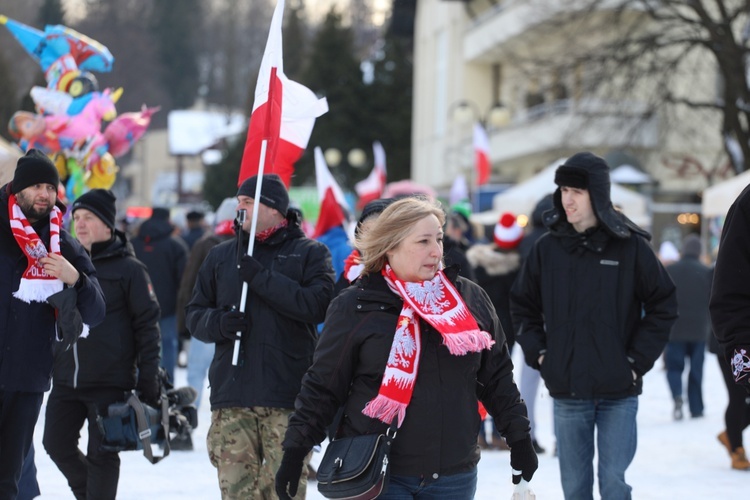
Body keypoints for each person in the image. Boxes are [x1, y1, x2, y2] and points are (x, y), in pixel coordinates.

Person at [275, 197, 538, 500]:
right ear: (391, 246)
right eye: (423, 241)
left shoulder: (469, 298)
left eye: (438, 238)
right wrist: (296, 451)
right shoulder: (356, 304)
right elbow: (323, 387)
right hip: (380, 474)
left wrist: (519, 439)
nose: (437, 250)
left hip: (454, 474)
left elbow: (496, 378)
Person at [510, 152, 677, 499]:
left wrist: (635, 363)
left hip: (619, 389)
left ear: (597, 194)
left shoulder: (630, 246)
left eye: (576, 191)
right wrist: (541, 355)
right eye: (564, 190)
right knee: (574, 487)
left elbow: (664, 303)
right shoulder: (547, 248)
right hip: (568, 390)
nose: (567, 199)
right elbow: (522, 305)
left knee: (614, 481)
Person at [186, 173, 335, 500]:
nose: (240, 208)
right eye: (239, 202)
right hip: (232, 395)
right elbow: (194, 315)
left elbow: (318, 306)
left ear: (274, 208)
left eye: (248, 202)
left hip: (287, 397)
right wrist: (220, 324)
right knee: (238, 494)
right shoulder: (220, 256)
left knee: (283, 493)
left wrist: (260, 277)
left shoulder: (310, 253)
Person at [42, 188, 162, 499]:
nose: (79, 225)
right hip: (66, 379)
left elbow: (147, 326)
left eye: (88, 218)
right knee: (54, 443)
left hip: (109, 381)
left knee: (103, 455)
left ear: (108, 224)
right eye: (76, 218)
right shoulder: (62, 262)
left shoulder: (131, 270)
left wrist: (148, 377)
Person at [0, 149, 106, 499]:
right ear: (17, 189)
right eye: (36, 186)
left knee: (7, 480)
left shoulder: (63, 244)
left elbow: (96, 313)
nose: (45, 194)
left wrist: (75, 278)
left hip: (25, 378)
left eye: (50, 186)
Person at [467, 211, 524, 450]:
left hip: (477, 326)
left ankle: (478, 432)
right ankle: (501, 434)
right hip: (505, 330)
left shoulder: (477, 262)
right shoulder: (515, 267)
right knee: (500, 381)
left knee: (476, 380)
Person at [709, 184, 750, 468]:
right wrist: (742, 358)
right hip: (732, 345)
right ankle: (735, 445)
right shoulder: (747, 206)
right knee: (738, 400)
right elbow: (727, 299)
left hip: (727, 341)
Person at [515, 193, 554, 455]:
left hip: (530, 318)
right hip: (559, 317)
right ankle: (563, 440)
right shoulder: (560, 241)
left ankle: (527, 437)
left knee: (528, 383)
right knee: (562, 384)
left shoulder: (525, 242)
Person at [132, 206, 188, 385]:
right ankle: (167, 384)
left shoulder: (133, 243)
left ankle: (140, 385)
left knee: (140, 346)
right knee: (168, 346)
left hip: (137, 307)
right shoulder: (176, 245)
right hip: (168, 307)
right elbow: (184, 281)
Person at [663, 234, 711, 420]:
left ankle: (676, 395)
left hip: (675, 328)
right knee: (696, 370)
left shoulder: (671, 270)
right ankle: (696, 408)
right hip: (699, 329)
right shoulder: (705, 271)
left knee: (674, 368)